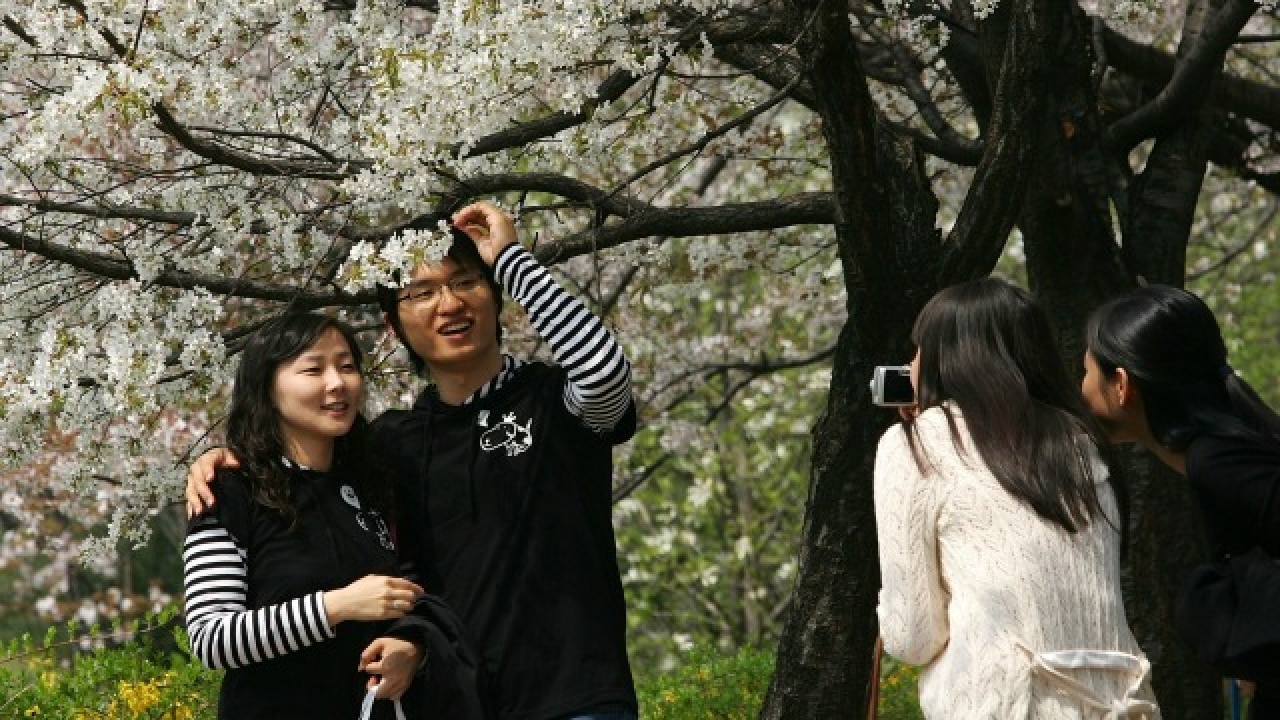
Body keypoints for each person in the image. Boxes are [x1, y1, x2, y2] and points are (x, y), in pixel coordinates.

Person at [187, 202, 638, 720]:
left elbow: (604, 374)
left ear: (496, 295)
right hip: (449, 705)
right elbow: (385, 563)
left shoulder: (557, 403)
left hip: (573, 699)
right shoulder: (388, 446)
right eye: (420, 293)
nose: (448, 304)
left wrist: (511, 259)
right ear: (394, 325)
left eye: (466, 282)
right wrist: (233, 456)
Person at [874, 277, 1159, 719]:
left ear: (947, 360)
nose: (910, 365)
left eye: (918, 350)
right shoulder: (1083, 441)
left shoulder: (916, 445)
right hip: (1120, 702)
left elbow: (912, 637)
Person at [182, 313, 430, 719]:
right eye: (313, 369)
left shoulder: (373, 484)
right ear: (267, 388)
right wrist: (339, 605)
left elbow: (411, 592)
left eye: (347, 366)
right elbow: (213, 639)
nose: (337, 383)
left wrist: (412, 648)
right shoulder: (228, 491)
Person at [1083, 284, 1280, 718]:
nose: (1082, 390)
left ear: (1121, 385)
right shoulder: (1218, 454)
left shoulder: (1218, 462)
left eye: (1087, 374)